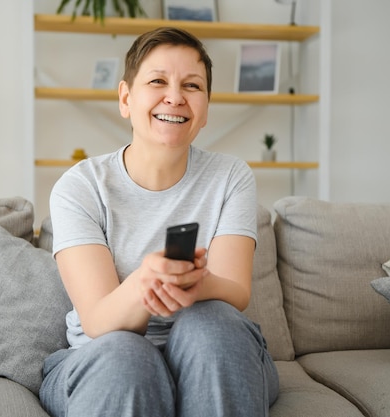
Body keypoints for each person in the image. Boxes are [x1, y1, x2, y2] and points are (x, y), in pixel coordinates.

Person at [39, 26, 279, 417]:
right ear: (125, 98)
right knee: (126, 355)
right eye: (157, 81)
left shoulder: (231, 177)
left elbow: (235, 290)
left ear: (206, 108)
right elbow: (99, 321)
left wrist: (193, 281)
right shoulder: (79, 186)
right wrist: (144, 283)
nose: (175, 96)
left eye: (192, 86)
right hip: (103, 357)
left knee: (212, 324)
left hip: (212, 356)